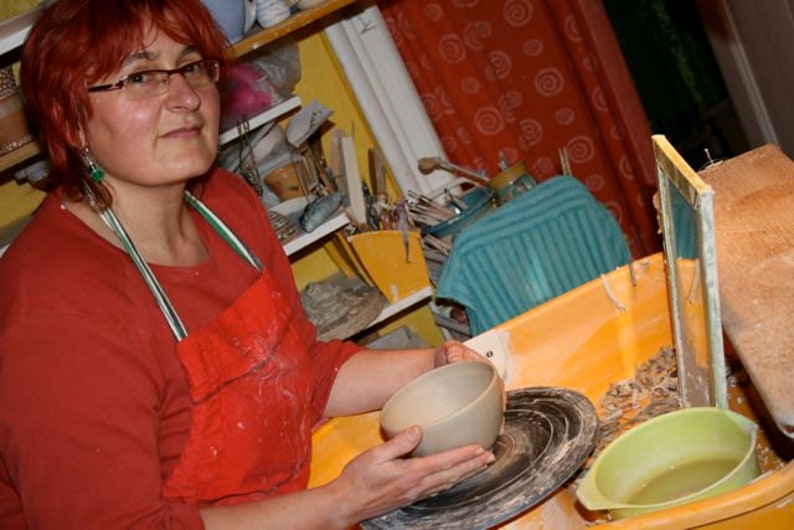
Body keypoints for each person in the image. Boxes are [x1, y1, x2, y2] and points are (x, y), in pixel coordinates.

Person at [0, 1, 497, 528]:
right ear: (69, 117)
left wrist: (433, 367)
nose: (187, 98)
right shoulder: (54, 316)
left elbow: (296, 369)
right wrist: (339, 504)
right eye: (141, 77)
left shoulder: (225, 203)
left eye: (192, 68)